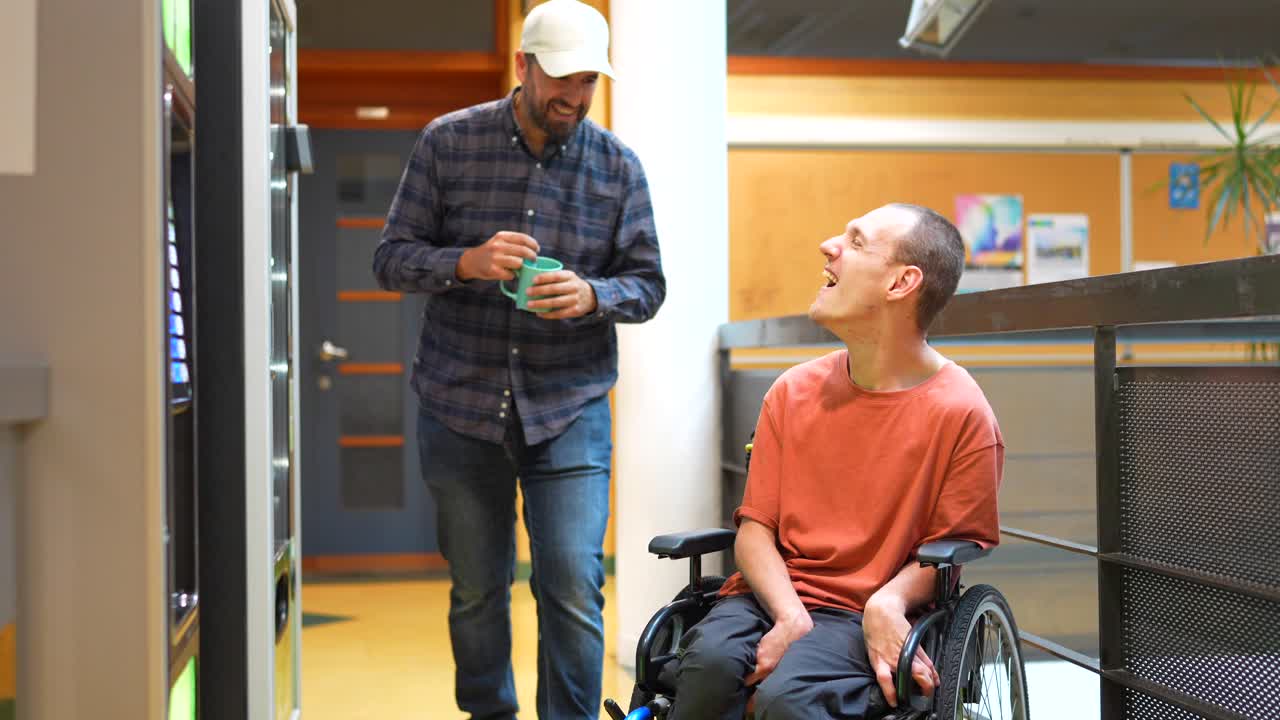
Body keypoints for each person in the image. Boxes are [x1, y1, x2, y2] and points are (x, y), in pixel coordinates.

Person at [371, 0, 665, 717]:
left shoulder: (618, 167)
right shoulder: (448, 143)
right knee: (478, 586)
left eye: (589, 82)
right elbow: (389, 262)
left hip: (568, 407)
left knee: (570, 581)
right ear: (523, 67)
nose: (573, 96)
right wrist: (466, 262)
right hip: (459, 402)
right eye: (561, 78)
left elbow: (648, 285)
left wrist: (592, 296)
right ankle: (489, 712)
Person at [668, 204, 1003, 720]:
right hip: (768, 596)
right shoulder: (792, 392)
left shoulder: (964, 414)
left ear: (901, 283)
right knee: (707, 667)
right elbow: (755, 531)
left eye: (857, 241)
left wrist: (885, 603)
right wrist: (790, 616)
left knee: (789, 698)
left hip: (859, 614)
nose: (829, 246)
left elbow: (948, 556)